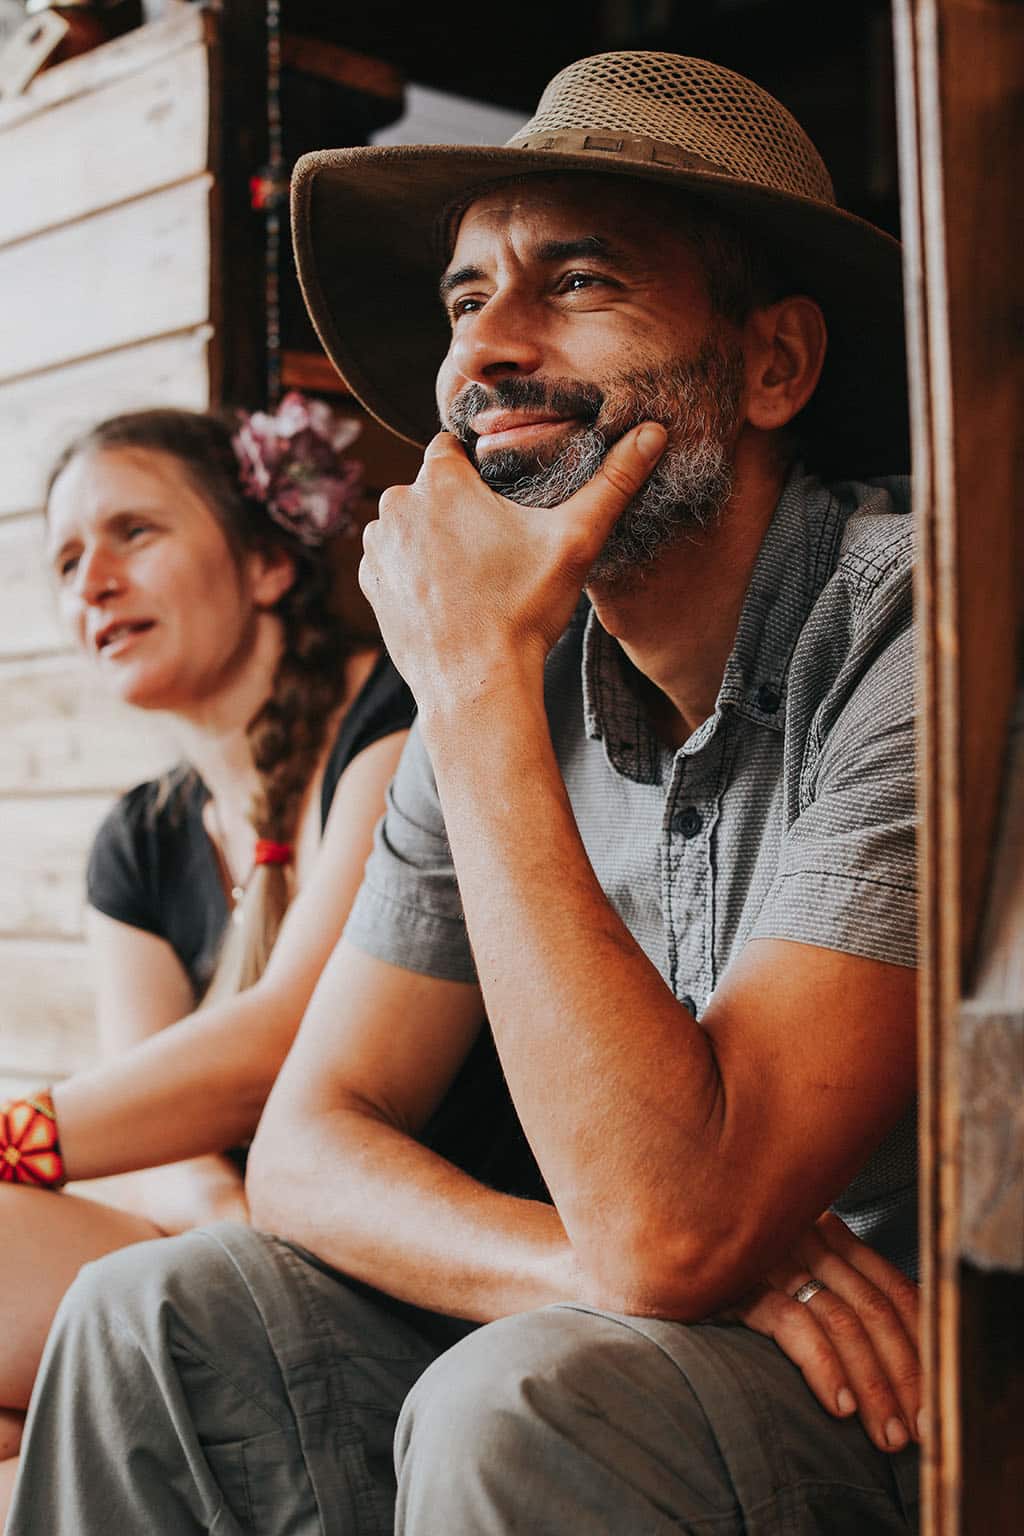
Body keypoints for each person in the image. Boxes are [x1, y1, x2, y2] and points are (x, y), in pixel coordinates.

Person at [7, 50, 923, 1535]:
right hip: (685, 1318)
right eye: (463, 298)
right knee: (147, 1316)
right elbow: (310, 1142)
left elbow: (676, 1225)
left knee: (528, 1404)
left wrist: (475, 682)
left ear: (775, 367)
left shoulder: (910, 620)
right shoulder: (501, 668)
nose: (485, 349)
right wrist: (581, 1268)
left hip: (915, 1375)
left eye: (575, 282)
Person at [0, 396, 414, 1511]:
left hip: (401, 1250)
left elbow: (278, 1040)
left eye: (134, 532)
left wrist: (13, 1135)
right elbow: (157, 1140)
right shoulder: (140, 838)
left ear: (269, 564)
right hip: (229, 1239)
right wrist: (227, 1226)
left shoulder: (395, 727)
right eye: (69, 558)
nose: (91, 580)